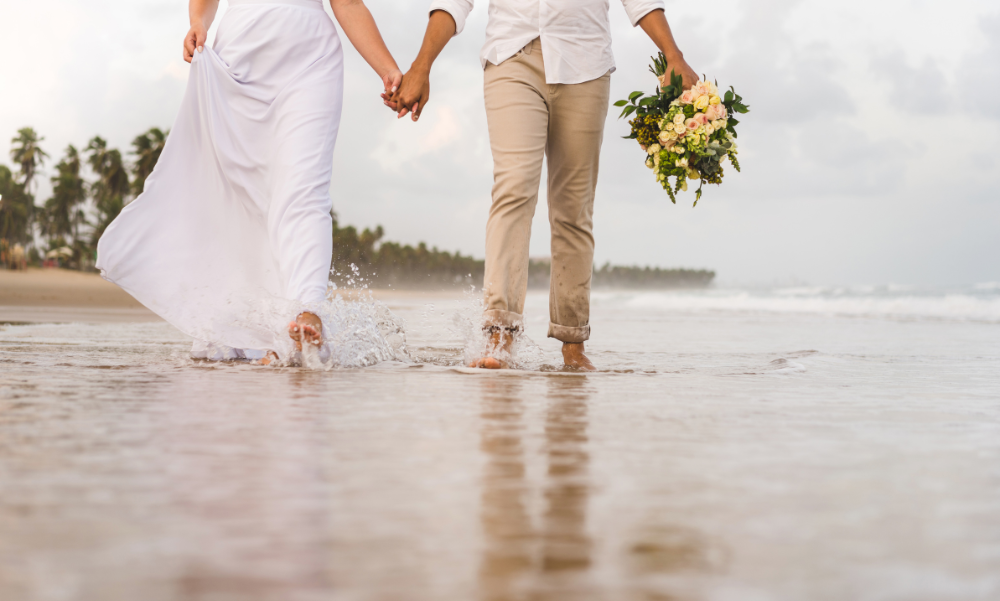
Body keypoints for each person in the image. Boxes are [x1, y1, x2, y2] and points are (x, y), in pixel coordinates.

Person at [387, 0, 698, 371]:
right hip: (511, 58)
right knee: (514, 186)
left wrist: (673, 53)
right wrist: (422, 65)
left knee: (573, 208)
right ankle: (499, 333)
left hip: (585, 63)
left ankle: (573, 342)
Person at [97, 0, 402, 363]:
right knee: (241, 195)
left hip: (311, 56)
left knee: (305, 188)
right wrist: (197, 22)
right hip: (239, 56)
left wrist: (388, 70)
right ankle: (258, 329)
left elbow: (347, 2)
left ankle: (308, 308)